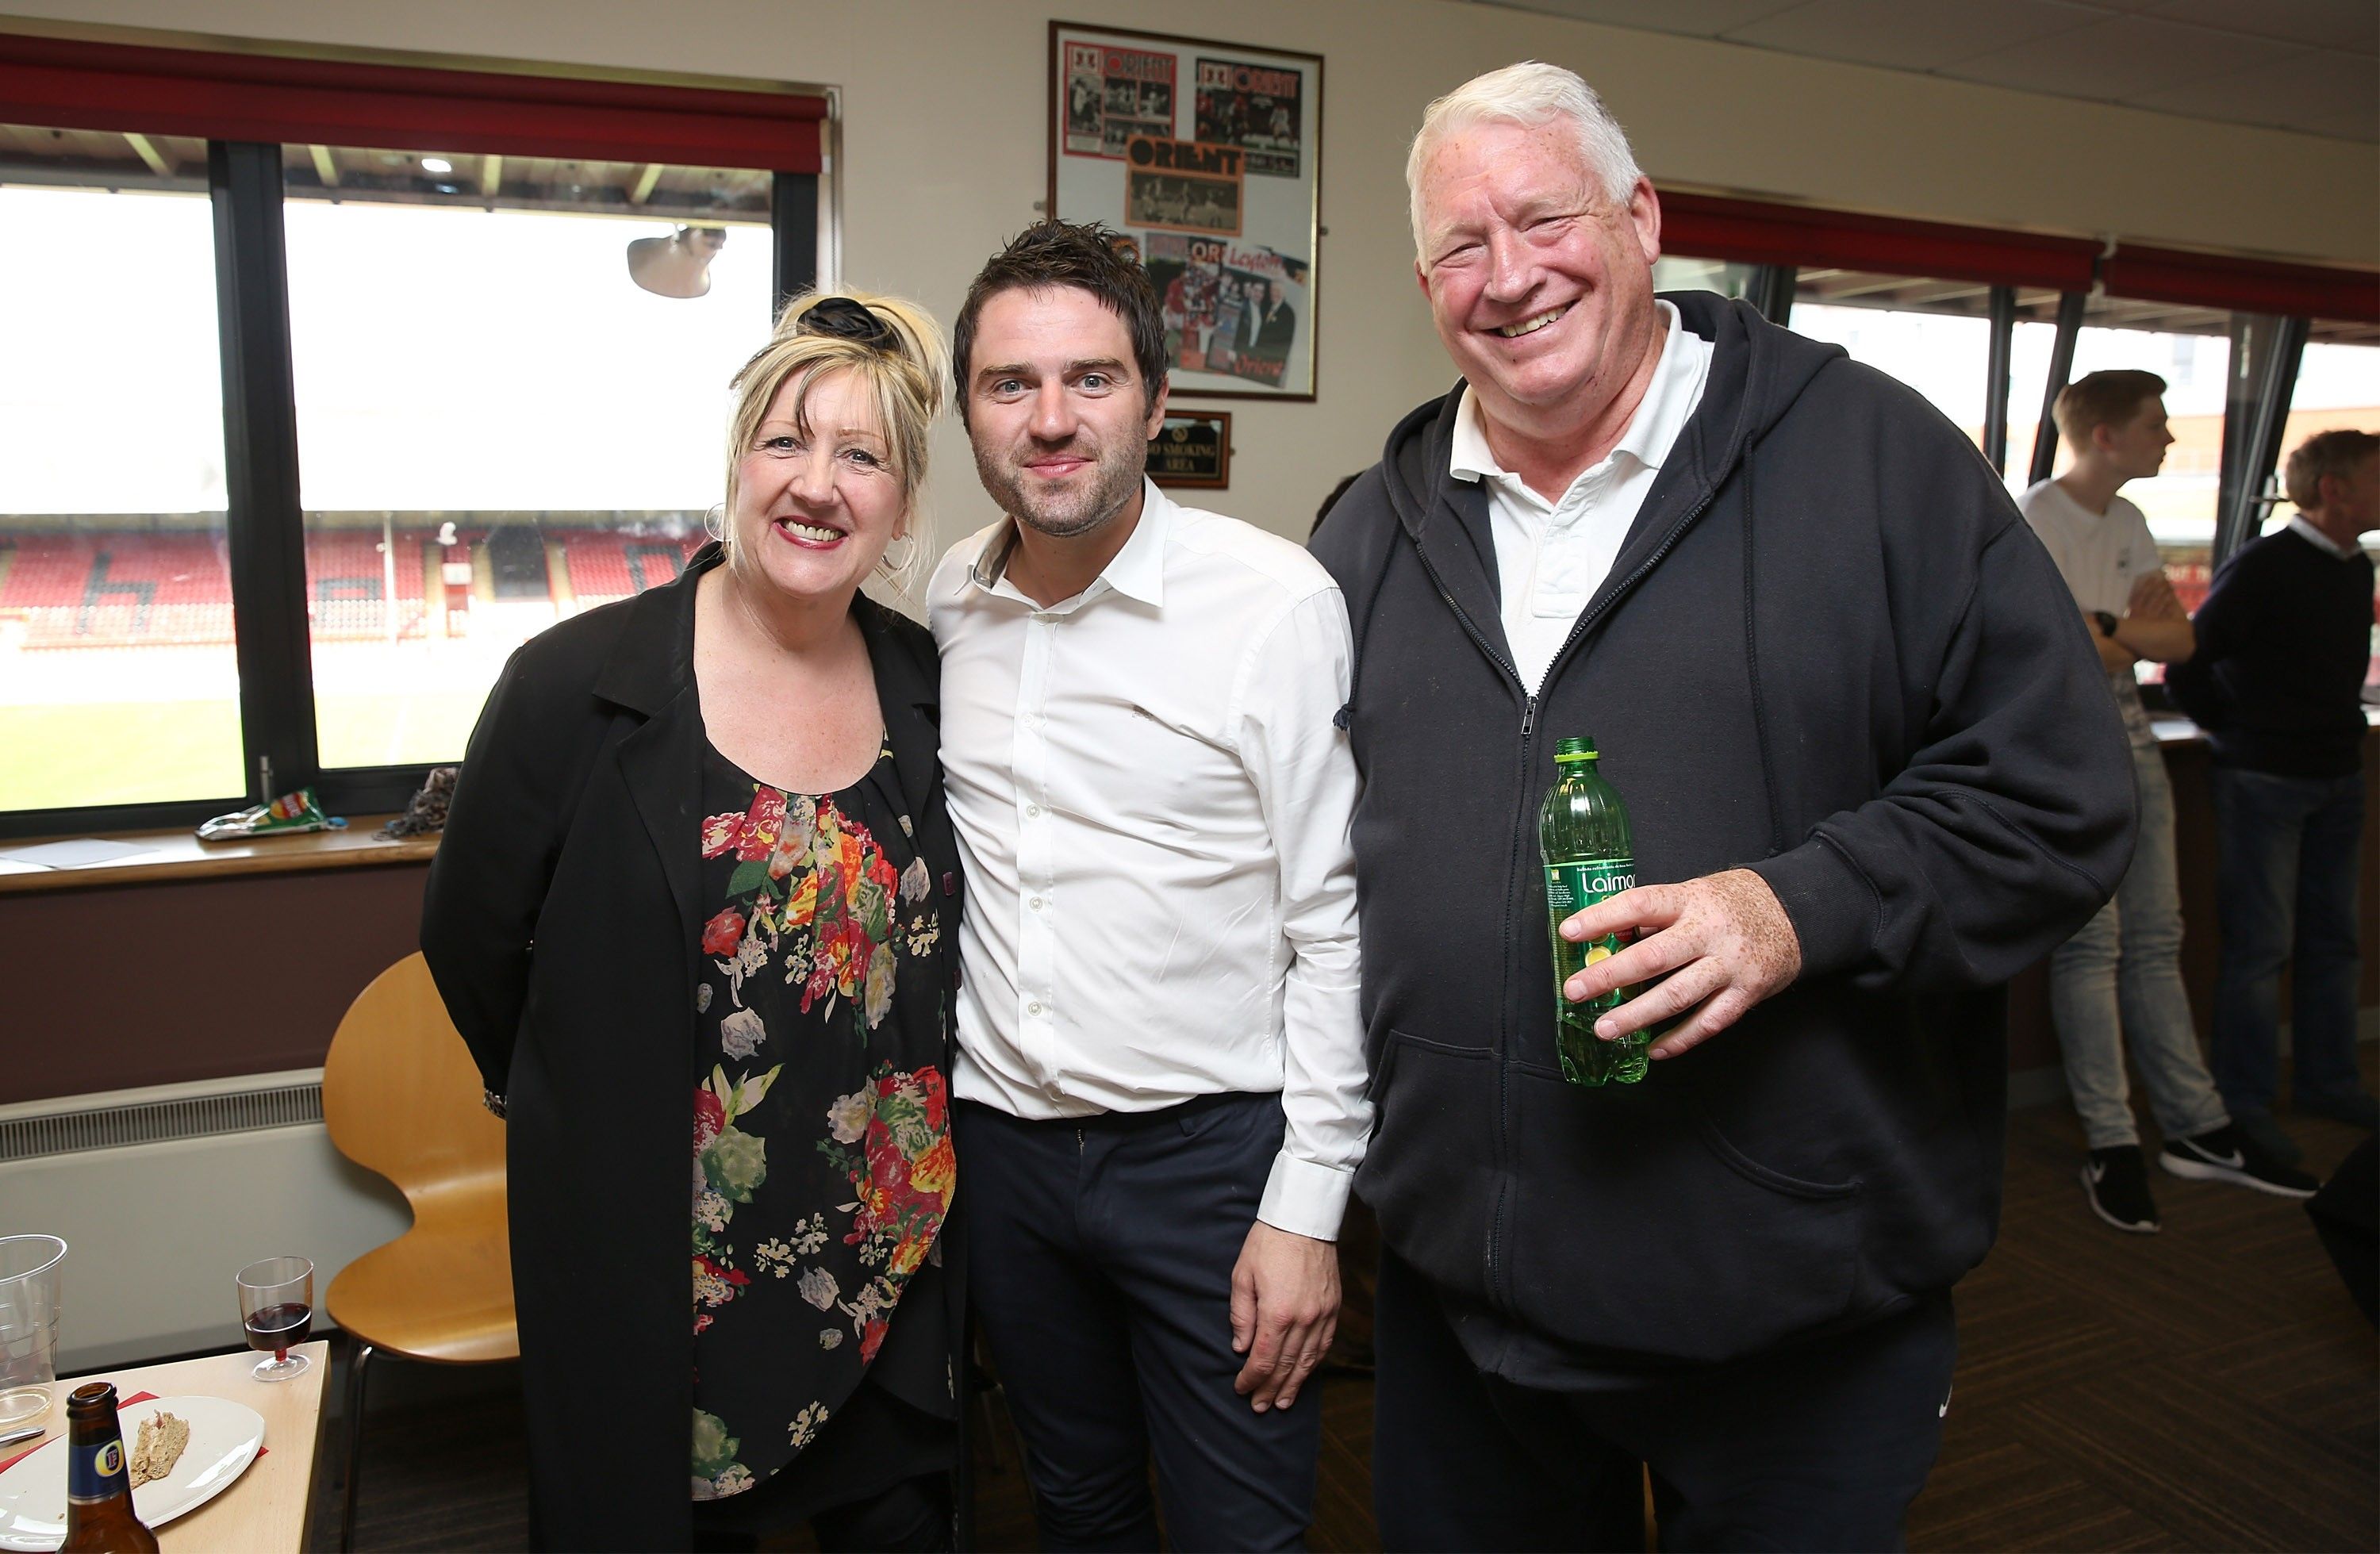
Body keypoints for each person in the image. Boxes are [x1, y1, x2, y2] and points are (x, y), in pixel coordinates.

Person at [1308, 63, 2136, 1549]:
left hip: (1789, 1308)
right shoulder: (1375, 524)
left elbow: (2058, 796)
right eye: (1459, 248)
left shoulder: (1876, 463)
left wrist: (1793, 903)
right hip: (1463, 1304)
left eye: (1542, 217)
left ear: (1639, 218)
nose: (1509, 277)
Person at [420, 290, 965, 1551]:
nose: (817, 484)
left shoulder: (929, 685)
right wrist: (588, 1103)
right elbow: (471, 943)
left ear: (899, 502)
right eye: (787, 441)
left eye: (862, 454)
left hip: (889, 1273)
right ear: (735, 463)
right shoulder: (573, 686)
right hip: (666, 1289)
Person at [928, 220, 1368, 1552]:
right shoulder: (950, 595)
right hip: (1003, 1151)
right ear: (970, 412)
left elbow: (1335, 926)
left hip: (1211, 1160)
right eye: (1012, 384)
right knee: (1078, 1507)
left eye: (1093, 378)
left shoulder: (1273, 603)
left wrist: (1309, 1203)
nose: (1052, 420)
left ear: (1158, 399)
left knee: (1241, 1528)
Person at [2018, 370, 2315, 1230]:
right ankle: (2112, 1144)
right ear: (2105, 434)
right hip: (2066, 760)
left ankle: (2197, 1128)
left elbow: (2177, 641)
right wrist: (2116, 630)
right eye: (2157, 423)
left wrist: (2101, 626)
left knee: (2159, 939)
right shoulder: (2036, 517)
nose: (2171, 439)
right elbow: (2054, 651)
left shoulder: (2132, 520)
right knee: (2092, 948)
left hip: (2140, 747)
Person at [2169, 428, 2380, 1154]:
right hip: (2264, 780)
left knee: (2335, 941)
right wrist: (2240, 732)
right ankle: (2248, 1098)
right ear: (2334, 488)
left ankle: (2330, 1081)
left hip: (2337, 777)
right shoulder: (2262, 566)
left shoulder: (2356, 569)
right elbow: (2187, 665)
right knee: (2260, 947)